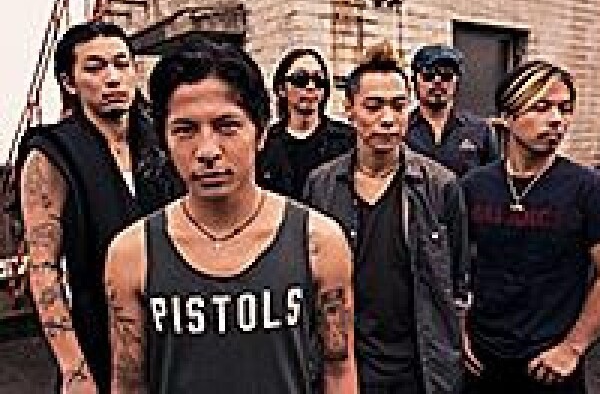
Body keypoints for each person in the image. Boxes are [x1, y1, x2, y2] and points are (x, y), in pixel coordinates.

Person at [105, 41, 358, 393]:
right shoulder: (133, 254)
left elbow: (339, 369)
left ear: (261, 132)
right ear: (164, 139)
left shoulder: (319, 242)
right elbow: (128, 384)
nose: (207, 151)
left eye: (227, 126)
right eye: (185, 129)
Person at [17, 21, 180, 393]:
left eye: (121, 64)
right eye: (95, 68)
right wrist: (74, 369)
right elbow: (43, 268)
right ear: (69, 82)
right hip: (99, 341)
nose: (113, 78)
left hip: (174, 337)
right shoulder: (53, 153)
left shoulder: (162, 142)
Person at [304, 42, 469, 394]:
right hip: (348, 365)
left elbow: (457, 279)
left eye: (398, 105)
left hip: (420, 368)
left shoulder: (440, 185)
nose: (388, 118)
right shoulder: (322, 185)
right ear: (349, 109)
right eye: (373, 106)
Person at [461, 60, 600, 393]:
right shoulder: (474, 186)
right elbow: (456, 267)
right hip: (482, 360)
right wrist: (459, 328)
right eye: (541, 107)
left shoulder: (589, 188)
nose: (556, 119)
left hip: (551, 365)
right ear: (507, 117)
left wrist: (573, 347)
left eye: (564, 109)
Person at [257, 47, 355, 200]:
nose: (310, 87)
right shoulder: (264, 142)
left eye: (319, 80)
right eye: (300, 79)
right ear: (281, 89)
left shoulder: (347, 140)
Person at [406, 45, 499, 176]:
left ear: (457, 81)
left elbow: (493, 178)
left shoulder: (480, 131)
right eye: (429, 75)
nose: (437, 81)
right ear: (414, 80)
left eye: (446, 75)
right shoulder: (401, 128)